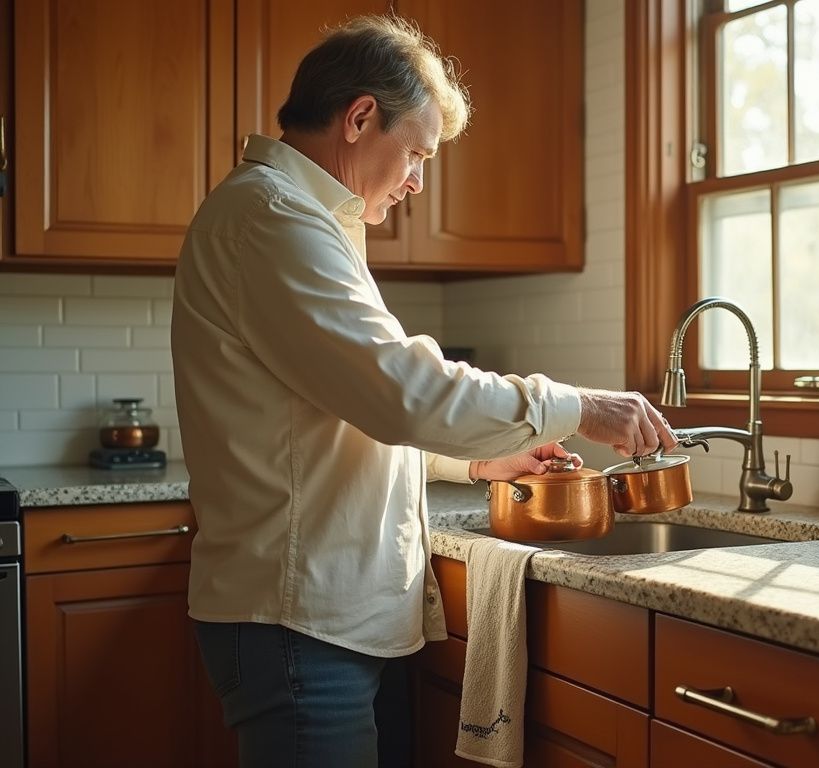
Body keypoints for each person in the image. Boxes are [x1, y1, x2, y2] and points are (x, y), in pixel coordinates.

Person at [170, 15, 676, 767]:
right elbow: (402, 393)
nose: (417, 179)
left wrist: (479, 464)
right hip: (298, 622)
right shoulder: (273, 220)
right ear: (360, 117)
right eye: (415, 152)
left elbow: (346, 415)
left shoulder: (304, 219)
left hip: (321, 618)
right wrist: (584, 406)